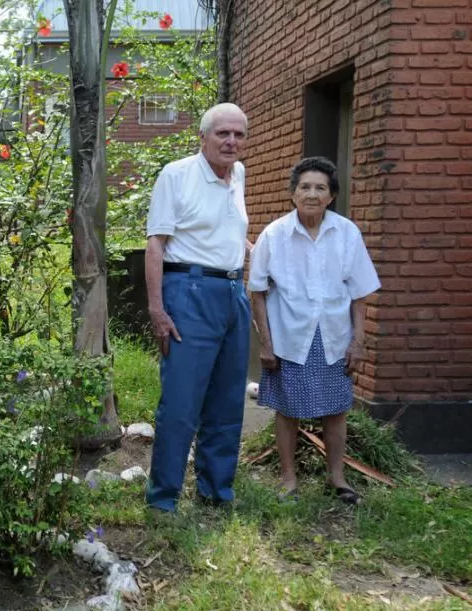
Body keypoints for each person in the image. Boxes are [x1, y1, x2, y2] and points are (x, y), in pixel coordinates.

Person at [248, 156, 380, 504]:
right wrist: (266, 342)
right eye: (304, 186)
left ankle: (337, 478)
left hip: (334, 337)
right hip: (289, 338)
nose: (312, 194)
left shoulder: (347, 233)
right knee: (287, 409)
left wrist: (359, 340)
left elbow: (360, 292)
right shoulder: (274, 235)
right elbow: (257, 292)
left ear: (331, 196)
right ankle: (288, 479)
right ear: (292, 194)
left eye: (320, 187)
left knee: (336, 409)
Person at [144, 103, 251, 512]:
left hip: (232, 293)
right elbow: (156, 243)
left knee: (227, 401)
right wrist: (157, 309)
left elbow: (228, 234)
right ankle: (163, 498)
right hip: (188, 292)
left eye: (239, 135)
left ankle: (216, 491)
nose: (231, 142)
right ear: (203, 137)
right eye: (223, 134)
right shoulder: (177, 174)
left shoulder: (237, 175)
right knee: (182, 401)